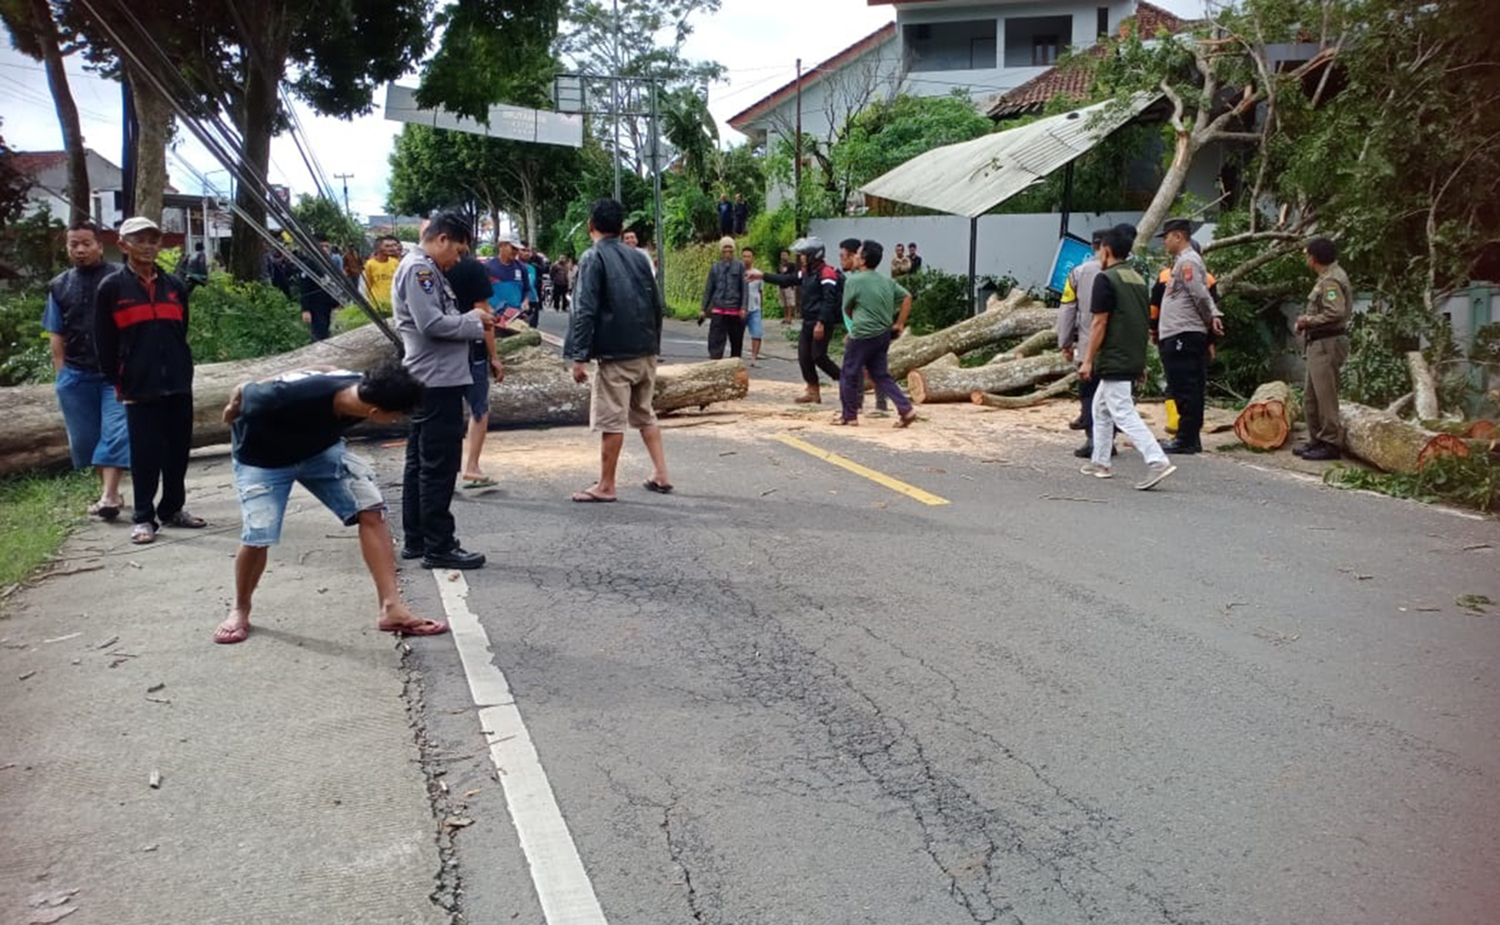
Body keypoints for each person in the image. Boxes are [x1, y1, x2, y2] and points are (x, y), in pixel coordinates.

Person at [213, 361, 449, 645]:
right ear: (374, 412)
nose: (399, 420)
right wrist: (232, 407)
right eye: (397, 416)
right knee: (259, 533)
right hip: (263, 460)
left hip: (319, 451)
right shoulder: (279, 399)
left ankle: (391, 608)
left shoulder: (363, 383)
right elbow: (246, 388)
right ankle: (240, 609)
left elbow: (322, 367)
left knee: (371, 509)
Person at [94, 216, 207, 544]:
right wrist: (118, 380)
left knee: (177, 451)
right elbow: (104, 341)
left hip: (177, 381)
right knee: (145, 454)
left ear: (160, 244)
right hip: (138, 384)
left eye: (153, 239)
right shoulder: (112, 288)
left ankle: (172, 509)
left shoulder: (174, 286)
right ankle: (143, 517)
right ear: (123, 244)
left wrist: (180, 369)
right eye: (139, 239)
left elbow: (180, 330)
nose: (147, 245)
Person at [393, 211, 494, 570]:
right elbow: (431, 323)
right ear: (442, 240)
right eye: (459, 250)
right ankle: (439, 544)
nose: (459, 259)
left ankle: (418, 537)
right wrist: (474, 321)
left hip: (433, 376)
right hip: (436, 379)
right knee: (438, 465)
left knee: (420, 463)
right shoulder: (419, 270)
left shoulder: (427, 270)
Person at [563, 198, 672, 503]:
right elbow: (656, 305)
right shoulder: (639, 258)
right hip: (646, 349)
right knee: (645, 413)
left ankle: (607, 485)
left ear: (590, 227)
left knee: (612, 419)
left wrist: (579, 356)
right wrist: (654, 344)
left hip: (615, 354)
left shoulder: (592, 257)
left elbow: (584, 310)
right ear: (622, 228)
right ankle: (661, 473)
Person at [1079, 224, 1176, 490]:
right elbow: (1141, 321)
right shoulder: (1136, 278)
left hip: (1114, 357)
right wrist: (1141, 360)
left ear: (1106, 250)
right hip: (1131, 354)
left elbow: (1099, 323)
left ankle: (1157, 461)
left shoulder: (1105, 279)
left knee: (1122, 412)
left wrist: (1088, 359)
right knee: (1101, 407)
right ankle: (1100, 462)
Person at [43, 220, 130, 519]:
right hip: (76, 375)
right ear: (67, 248)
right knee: (87, 440)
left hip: (115, 374)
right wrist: (62, 374)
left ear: (99, 245)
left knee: (116, 432)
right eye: (73, 244)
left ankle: (107, 496)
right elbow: (56, 334)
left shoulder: (120, 277)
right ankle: (113, 494)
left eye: (86, 243)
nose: (80, 250)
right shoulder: (59, 285)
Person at [1156, 218, 1223, 454]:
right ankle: (1189, 437)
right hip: (1180, 332)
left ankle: (1186, 438)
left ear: (1178, 236)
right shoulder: (1183, 262)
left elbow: (1199, 293)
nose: (1164, 242)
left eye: (1166, 237)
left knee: (1185, 387)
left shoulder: (1188, 261)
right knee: (1185, 385)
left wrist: (1211, 316)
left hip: (1184, 333)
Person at [836, 240, 917, 428]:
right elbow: (907, 297)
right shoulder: (887, 281)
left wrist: (855, 323)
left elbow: (847, 309)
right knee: (881, 375)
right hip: (883, 335)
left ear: (863, 260)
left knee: (849, 373)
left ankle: (849, 415)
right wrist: (900, 323)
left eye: (857, 254)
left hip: (861, 334)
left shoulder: (853, 281)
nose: (855, 256)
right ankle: (906, 409)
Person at [753, 237, 843, 403]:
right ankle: (812, 390)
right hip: (808, 321)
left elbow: (828, 301)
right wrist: (762, 276)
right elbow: (787, 279)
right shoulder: (807, 272)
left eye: (803, 255)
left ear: (813, 255)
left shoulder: (827, 273)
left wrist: (821, 323)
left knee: (818, 356)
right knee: (804, 356)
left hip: (821, 322)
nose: (801, 258)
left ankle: (847, 381)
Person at [447, 252, 505, 488]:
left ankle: (447, 472)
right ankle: (472, 465)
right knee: (478, 409)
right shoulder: (474, 269)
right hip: (472, 351)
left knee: (447, 414)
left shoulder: (430, 268)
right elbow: (485, 320)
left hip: (443, 351)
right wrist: (495, 357)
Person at [1294, 237, 1351, 461]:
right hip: (1318, 343)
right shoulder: (1327, 277)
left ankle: (1330, 443)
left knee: (1325, 396)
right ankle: (1316, 439)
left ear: (1314, 257)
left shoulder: (1331, 281)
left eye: (1308, 254)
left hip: (1328, 343)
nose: (1306, 258)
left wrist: (1307, 320)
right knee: (1311, 396)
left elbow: (1335, 312)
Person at [1058, 230, 1109, 458]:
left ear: (1093, 246)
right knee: (1112, 395)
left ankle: (1092, 439)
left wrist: (1065, 342)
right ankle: (1109, 440)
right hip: (1117, 348)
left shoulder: (1078, 273)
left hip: (1089, 344)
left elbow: (1068, 309)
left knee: (1089, 392)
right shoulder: (1126, 272)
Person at [700, 235, 749, 360]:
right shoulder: (715, 267)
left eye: (730, 249)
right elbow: (709, 289)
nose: (727, 252)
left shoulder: (740, 266)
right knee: (715, 343)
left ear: (733, 250)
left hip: (735, 312)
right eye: (725, 249)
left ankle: (735, 369)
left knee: (736, 344)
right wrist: (703, 309)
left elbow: (744, 288)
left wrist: (743, 308)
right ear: (721, 251)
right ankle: (715, 365)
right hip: (719, 311)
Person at [482, 234, 532, 329]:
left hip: (516, 318)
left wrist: (525, 302)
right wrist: (488, 308)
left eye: (517, 249)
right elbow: (480, 293)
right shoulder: (487, 268)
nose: (515, 252)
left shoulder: (521, 268)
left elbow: (527, 289)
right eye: (513, 248)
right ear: (502, 246)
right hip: (495, 319)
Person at [299, 239, 342, 342]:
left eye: (327, 246)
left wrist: (338, 302)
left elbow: (335, 284)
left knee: (328, 331)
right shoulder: (309, 265)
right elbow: (304, 288)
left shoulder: (331, 264)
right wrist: (305, 309)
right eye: (321, 247)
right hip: (315, 305)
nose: (325, 249)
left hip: (329, 303)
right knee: (319, 332)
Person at [363, 236, 402, 309]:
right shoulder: (370, 264)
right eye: (387, 246)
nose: (391, 248)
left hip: (393, 301)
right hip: (378, 303)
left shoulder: (395, 262)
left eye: (391, 246)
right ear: (378, 249)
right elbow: (368, 284)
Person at [742, 246, 765, 366]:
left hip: (755, 308)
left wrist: (761, 307)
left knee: (757, 333)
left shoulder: (758, 274)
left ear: (752, 258)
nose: (746, 259)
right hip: (741, 308)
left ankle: (754, 358)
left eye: (748, 256)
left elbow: (760, 292)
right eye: (744, 256)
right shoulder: (738, 273)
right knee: (737, 334)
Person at [777, 248, 799, 323]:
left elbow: (795, 274)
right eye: (782, 255)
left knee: (790, 302)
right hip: (781, 286)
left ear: (788, 256)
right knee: (783, 303)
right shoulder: (779, 265)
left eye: (785, 255)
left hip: (789, 286)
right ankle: (785, 317)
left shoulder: (792, 265)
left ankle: (790, 317)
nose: (783, 256)